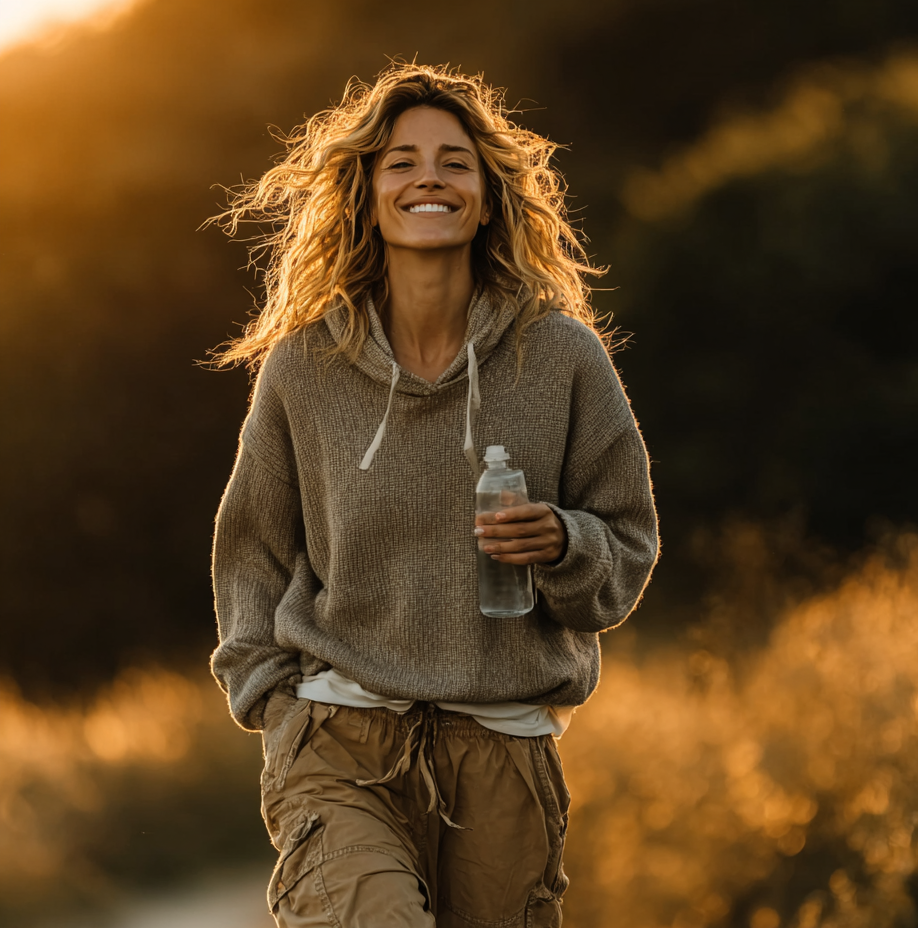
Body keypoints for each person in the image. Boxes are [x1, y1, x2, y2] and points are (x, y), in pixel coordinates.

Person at [208, 63, 658, 928]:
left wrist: (565, 544)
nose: (428, 178)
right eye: (401, 161)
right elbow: (252, 547)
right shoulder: (305, 366)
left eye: (455, 162)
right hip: (339, 740)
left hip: (504, 750)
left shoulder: (562, 357)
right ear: (366, 193)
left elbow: (627, 541)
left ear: (488, 197)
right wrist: (272, 705)